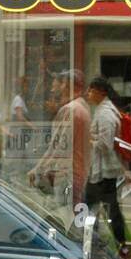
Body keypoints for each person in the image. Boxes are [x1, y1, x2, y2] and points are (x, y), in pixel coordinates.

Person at [28, 69, 91, 218]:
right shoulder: (83, 107)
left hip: (67, 173)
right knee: (74, 217)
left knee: (63, 220)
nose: (56, 89)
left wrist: (38, 169)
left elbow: (59, 147)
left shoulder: (70, 110)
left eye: (60, 84)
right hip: (78, 172)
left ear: (68, 85)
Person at [83, 75, 130, 254]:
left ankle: (103, 245)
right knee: (108, 210)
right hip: (102, 171)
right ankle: (119, 246)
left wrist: (88, 140)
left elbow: (105, 145)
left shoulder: (105, 114)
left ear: (101, 92)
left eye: (91, 91)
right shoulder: (104, 111)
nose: (88, 94)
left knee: (91, 209)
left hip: (103, 172)